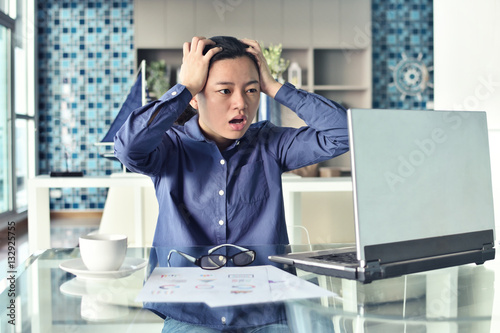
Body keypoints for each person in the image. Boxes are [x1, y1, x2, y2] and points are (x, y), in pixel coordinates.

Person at [114, 36, 349, 332]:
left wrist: (274, 86)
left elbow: (344, 132)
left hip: (267, 314)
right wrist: (184, 88)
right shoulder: (169, 148)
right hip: (191, 313)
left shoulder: (271, 143)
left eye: (251, 90)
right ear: (196, 98)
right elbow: (127, 148)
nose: (241, 103)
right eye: (224, 90)